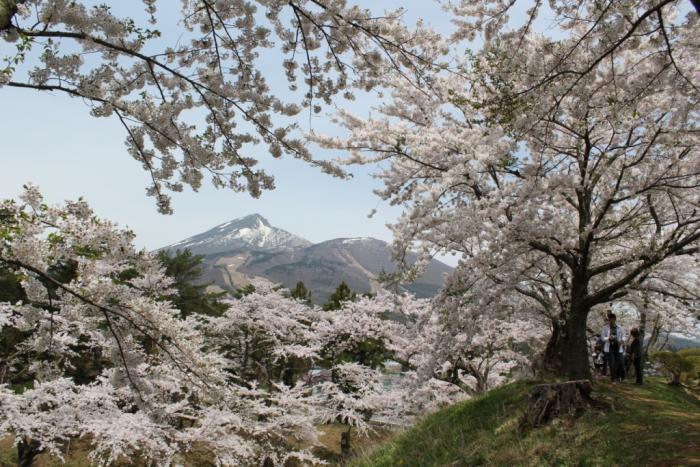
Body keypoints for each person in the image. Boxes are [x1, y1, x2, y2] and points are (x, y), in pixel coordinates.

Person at [601, 313, 625, 382]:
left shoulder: (620, 328)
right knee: (612, 363)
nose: (611, 321)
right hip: (610, 348)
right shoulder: (605, 328)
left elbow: (624, 336)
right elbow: (602, 338)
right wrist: (608, 338)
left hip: (618, 347)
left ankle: (619, 377)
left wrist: (622, 341)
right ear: (608, 320)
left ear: (615, 319)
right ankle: (613, 378)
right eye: (609, 320)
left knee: (620, 363)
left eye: (612, 319)